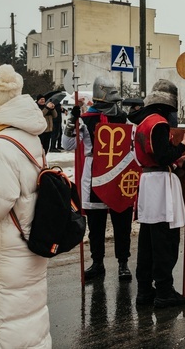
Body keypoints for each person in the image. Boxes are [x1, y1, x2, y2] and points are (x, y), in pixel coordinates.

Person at [0, 64, 52, 347]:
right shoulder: (27, 136)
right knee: (29, 317)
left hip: (5, 253)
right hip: (28, 243)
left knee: (4, 324)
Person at [130, 79, 185, 308]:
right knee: (163, 241)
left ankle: (144, 291)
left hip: (150, 181)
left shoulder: (143, 122)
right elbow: (161, 156)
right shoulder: (158, 123)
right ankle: (164, 291)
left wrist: (177, 160)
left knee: (148, 241)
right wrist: (184, 145)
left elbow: (155, 156)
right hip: (158, 185)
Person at [61, 76, 133, 281]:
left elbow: (132, 142)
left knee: (122, 223)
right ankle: (98, 263)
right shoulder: (86, 118)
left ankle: (123, 263)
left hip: (118, 172)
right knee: (96, 225)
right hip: (94, 174)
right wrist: (71, 122)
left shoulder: (123, 119)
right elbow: (68, 145)